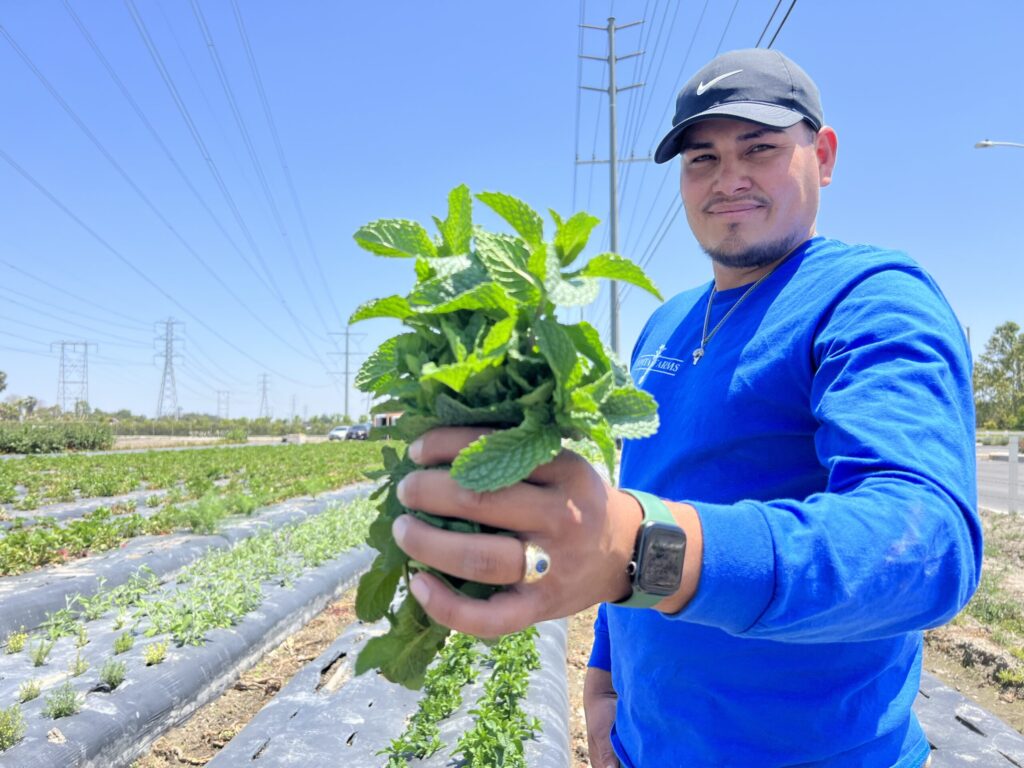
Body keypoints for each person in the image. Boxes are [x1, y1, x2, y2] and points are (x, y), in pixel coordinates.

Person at [391, 47, 981, 767]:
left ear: (822, 156)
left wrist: (644, 553)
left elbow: (924, 548)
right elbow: (639, 497)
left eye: (760, 148)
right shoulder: (666, 323)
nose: (728, 179)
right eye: (701, 159)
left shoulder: (871, 299)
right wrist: (604, 682)